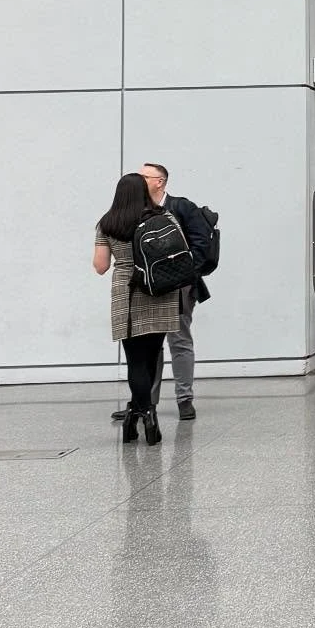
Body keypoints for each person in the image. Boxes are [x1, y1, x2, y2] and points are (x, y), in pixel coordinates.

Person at [109, 163, 214, 424]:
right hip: (144, 288)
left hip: (178, 286)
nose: (140, 179)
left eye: (145, 176)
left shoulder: (181, 207)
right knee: (148, 348)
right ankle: (145, 404)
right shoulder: (134, 212)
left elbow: (201, 244)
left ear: (160, 182)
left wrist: (185, 277)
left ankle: (184, 399)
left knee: (179, 340)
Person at [93, 172, 182, 445]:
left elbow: (100, 266)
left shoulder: (108, 223)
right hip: (160, 290)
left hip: (127, 293)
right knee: (153, 355)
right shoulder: (163, 216)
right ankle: (148, 415)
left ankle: (138, 412)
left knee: (135, 360)